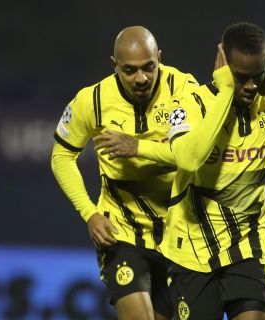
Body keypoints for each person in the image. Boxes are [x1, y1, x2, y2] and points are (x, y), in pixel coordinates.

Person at [97, 22, 265, 320]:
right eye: (240, 77)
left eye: (256, 76)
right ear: (222, 65)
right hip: (191, 252)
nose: (249, 86)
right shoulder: (189, 104)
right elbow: (189, 159)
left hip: (250, 248)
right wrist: (224, 93)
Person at [50, 26, 198, 320]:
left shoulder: (184, 89)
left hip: (180, 234)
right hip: (122, 232)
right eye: (129, 71)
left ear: (159, 58)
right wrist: (89, 213)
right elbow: (61, 156)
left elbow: (193, 157)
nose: (141, 78)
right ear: (114, 65)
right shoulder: (91, 101)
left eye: (148, 68)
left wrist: (137, 148)